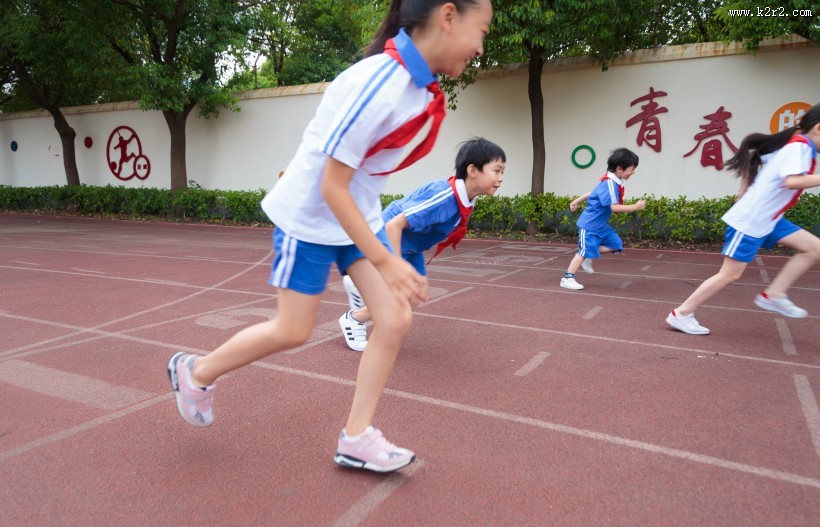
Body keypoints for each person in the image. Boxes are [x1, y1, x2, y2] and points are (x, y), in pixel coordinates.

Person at [165, 0, 494, 473]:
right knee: (293, 330)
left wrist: (383, 252)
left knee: (394, 319)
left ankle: (357, 437)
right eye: (480, 29)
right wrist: (387, 259)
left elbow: (356, 184)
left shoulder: (416, 89)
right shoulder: (379, 84)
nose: (480, 46)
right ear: (447, 17)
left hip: (355, 215)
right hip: (312, 218)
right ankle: (194, 372)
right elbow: (331, 186)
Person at [666, 103, 820, 335]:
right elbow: (793, 181)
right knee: (730, 274)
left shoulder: (797, 146)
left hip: (770, 219)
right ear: (818, 128)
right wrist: (744, 190)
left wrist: (745, 187)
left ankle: (774, 294)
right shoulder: (799, 147)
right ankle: (681, 313)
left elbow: (757, 158)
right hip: (751, 219)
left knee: (814, 248)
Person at [339, 137, 506, 351]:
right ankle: (355, 315)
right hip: (388, 237)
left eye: (503, 172)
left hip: (412, 245)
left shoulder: (466, 199)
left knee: (415, 291)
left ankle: (360, 290)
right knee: (396, 295)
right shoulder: (444, 197)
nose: (500, 178)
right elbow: (393, 225)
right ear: (473, 170)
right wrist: (394, 269)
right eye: (496, 171)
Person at [560, 148, 646, 290]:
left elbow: (593, 193)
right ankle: (567, 278)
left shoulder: (612, 180)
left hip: (600, 226)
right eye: (632, 169)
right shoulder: (610, 183)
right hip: (589, 225)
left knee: (616, 244)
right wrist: (635, 207)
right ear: (619, 169)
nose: (633, 172)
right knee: (583, 252)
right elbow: (614, 207)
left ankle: (588, 253)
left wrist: (577, 200)